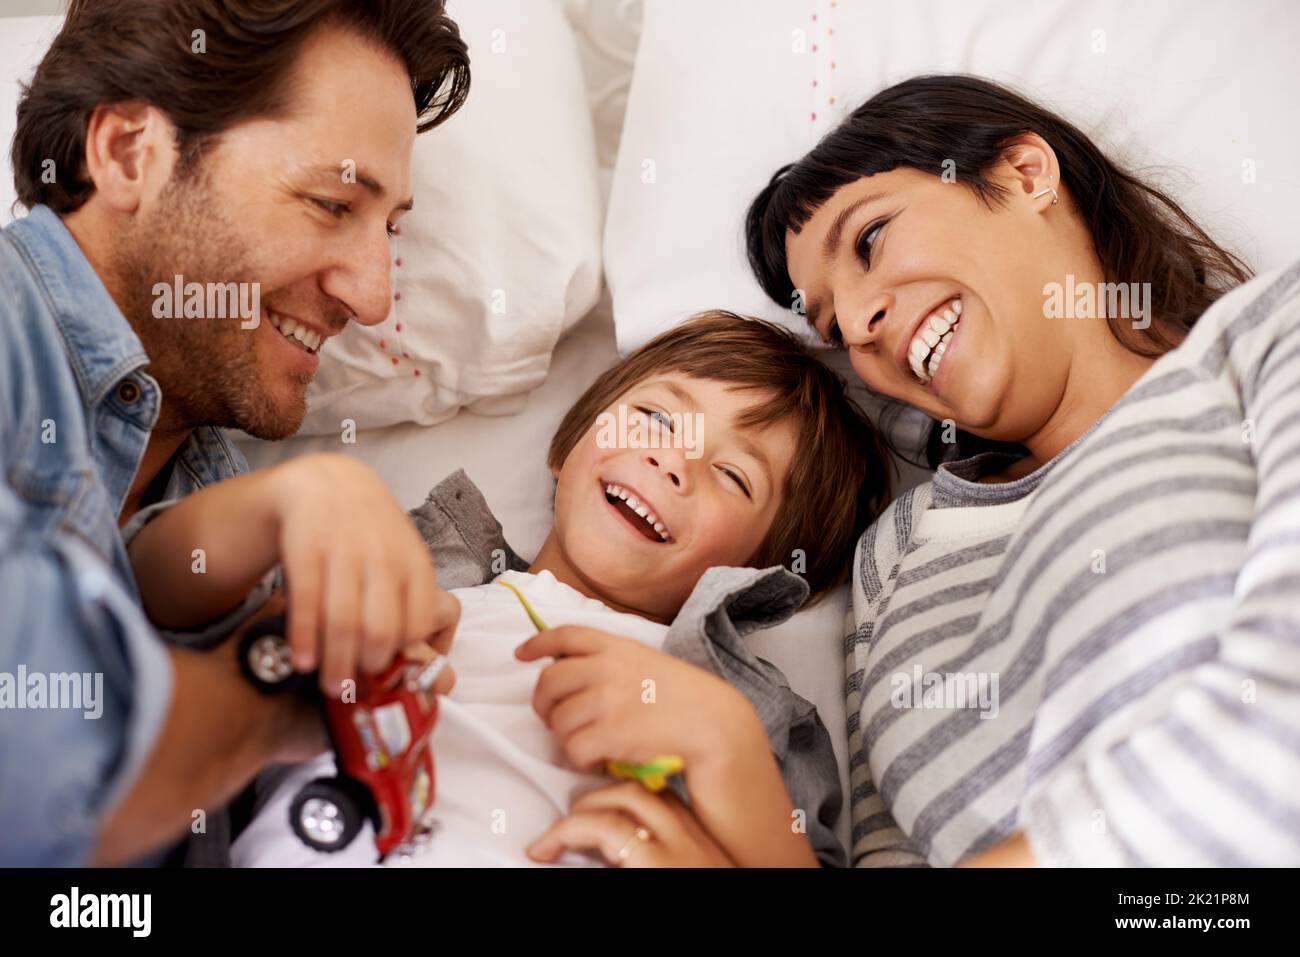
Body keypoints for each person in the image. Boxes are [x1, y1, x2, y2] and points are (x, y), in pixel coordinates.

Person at [742, 74, 1300, 866]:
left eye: (869, 240)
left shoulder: (1270, 337)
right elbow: (885, 851)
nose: (859, 325)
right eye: (832, 321)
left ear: (1024, 172)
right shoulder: (896, 551)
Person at [0, 0, 469, 866]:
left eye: (391, 229)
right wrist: (273, 705)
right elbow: (34, 778)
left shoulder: (246, 534)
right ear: (128, 154)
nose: (374, 298)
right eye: (333, 203)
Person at [220, 312, 892, 867]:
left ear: (759, 572)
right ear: (567, 446)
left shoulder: (746, 711)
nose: (672, 459)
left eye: (735, 476)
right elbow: (190, 649)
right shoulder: (407, 564)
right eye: (657, 418)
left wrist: (734, 750)